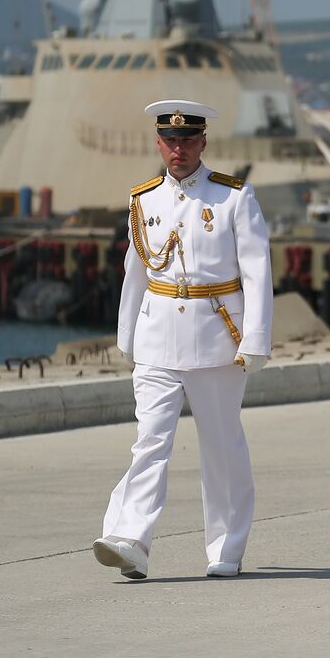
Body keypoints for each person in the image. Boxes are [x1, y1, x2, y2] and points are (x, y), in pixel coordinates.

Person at [95, 99, 272, 581]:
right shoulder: (144, 199)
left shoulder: (233, 197)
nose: (179, 148)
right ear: (158, 143)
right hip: (157, 337)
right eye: (171, 141)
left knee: (221, 445)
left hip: (217, 336)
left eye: (188, 139)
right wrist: (126, 334)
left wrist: (255, 339)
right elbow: (135, 272)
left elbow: (257, 273)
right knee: (150, 441)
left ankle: (226, 547)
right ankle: (129, 539)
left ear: (203, 142)